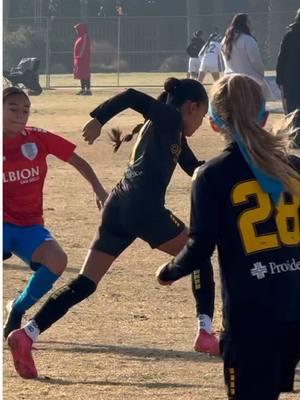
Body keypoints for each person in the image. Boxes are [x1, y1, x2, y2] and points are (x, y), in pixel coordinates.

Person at [8, 77, 219, 380]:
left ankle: (27, 334)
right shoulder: (169, 115)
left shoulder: (170, 131)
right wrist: (98, 118)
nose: (200, 123)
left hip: (118, 206)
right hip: (143, 206)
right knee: (199, 254)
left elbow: (195, 169)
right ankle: (206, 333)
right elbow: (132, 94)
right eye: (202, 116)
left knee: (85, 282)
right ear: (192, 107)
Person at [156, 74, 300, 400]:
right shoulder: (295, 165)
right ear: (264, 114)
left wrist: (169, 272)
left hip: (252, 316)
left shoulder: (212, 174)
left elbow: (200, 246)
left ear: (215, 122)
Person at [3, 86, 108, 339]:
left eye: (25, 110)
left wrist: (99, 190)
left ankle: (17, 308)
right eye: (13, 109)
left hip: (31, 226)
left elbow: (78, 161)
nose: (20, 115)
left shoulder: (37, 138)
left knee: (58, 260)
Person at [221, 13, 272, 100]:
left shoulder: (225, 40)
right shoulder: (248, 39)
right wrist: (261, 73)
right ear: (244, 24)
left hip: (229, 79)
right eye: (249, 22)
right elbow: (255, 61)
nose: (251, 25)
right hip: (248, 80)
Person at [276, 8, 300, 148]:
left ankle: (294, 139)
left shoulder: (289, 35)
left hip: (291, 79)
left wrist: (280, 79)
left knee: (292, 111)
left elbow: (281, 58)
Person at [73, 23, 92, 96]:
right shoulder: (80, 37)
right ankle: (83, 89)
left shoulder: (85, 37)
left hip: (83, 59)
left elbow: (83, 47)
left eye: (77, 29)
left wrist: (80, 56)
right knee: (81, 74)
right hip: (79, 59)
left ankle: (88, 90)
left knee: (85, 74)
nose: (76, 31)